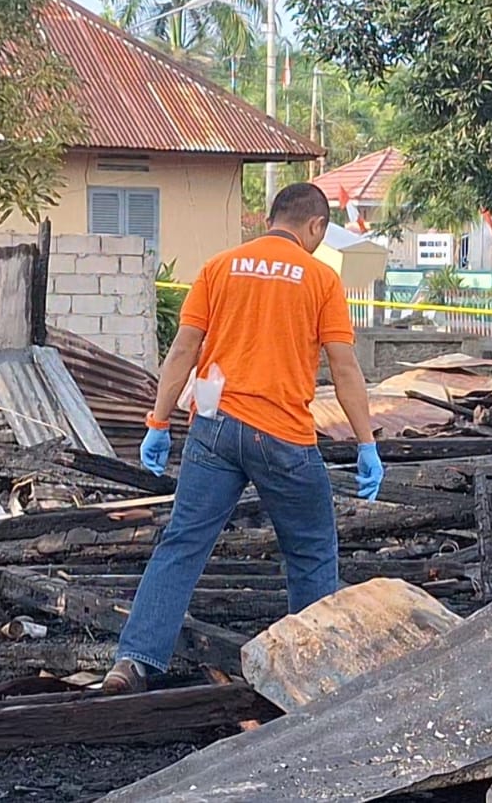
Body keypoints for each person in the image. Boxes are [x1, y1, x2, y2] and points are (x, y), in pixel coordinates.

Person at [102, 183, 385, 693]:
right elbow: (343, 367)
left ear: (272, 219)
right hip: (282, 435)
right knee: (312, 552)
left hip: (214, 428)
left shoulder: (219, 267)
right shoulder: (320, 279)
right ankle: (317, 677)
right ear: (316, 226)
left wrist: (158, 422)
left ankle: (134, 660)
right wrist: (366, 443)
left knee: (183, 543)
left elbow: (183, 351)